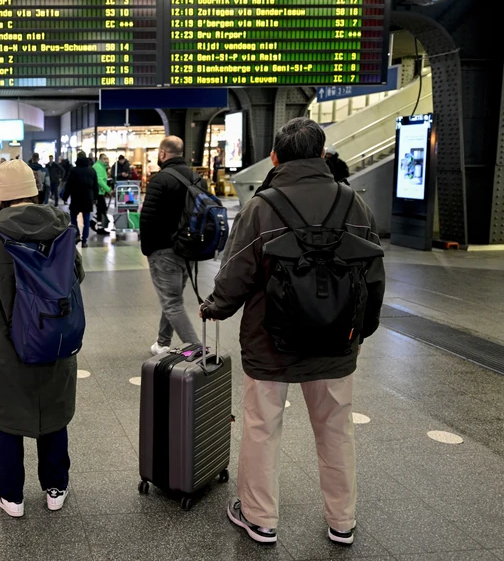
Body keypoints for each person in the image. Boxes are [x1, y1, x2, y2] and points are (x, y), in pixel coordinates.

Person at [200, 117, 385, 547]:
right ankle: (342, 521)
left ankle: (261, 518)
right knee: (336, 430)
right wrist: (361, 330)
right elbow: (373, 272)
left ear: (275, 157)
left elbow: (236, 272)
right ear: (322, 155)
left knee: (262, 428)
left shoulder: (264, 206)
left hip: (271, 342)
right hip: (337, 342)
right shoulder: (352, 203)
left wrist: (216, 308)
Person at [0, 160, 84, 518]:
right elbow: (77, 274)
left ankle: (12, 496)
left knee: (9, 416)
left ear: (0, 198)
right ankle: (55, 488)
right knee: (53, 411)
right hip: (55, 335)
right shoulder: (61, 227)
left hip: (8, 341)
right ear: (34, 191)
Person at [140, 136, 206, 354]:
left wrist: (147, 249)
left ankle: (197, 351)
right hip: (189, 249)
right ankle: (162, 342)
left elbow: (147, 218)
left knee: (172, 302)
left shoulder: (160, 180)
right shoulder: (198, 179)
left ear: (162, 154)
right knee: (172, 298)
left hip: (163, 249)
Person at [63, 152, 98, 248]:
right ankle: (84, 241)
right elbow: (95, 185)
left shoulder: (74, 170)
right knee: (86, 220)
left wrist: (65, 197)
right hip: (88, 198)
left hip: (76, 197)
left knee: (73, 217)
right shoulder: (92, 170)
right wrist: (95, 197)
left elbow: (68, 185)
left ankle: (77, 233)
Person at [92, 154, 112, 234]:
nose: (106, 160)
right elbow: (99, 180)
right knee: (102, 209)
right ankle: (98, 227)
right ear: (100, 159)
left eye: (106, 159)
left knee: (101, 209)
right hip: (98, 192)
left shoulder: (102, 167)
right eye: (104, 159)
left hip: (100, 192)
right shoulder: (98, 167)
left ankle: (95, 223)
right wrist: (108, 189)